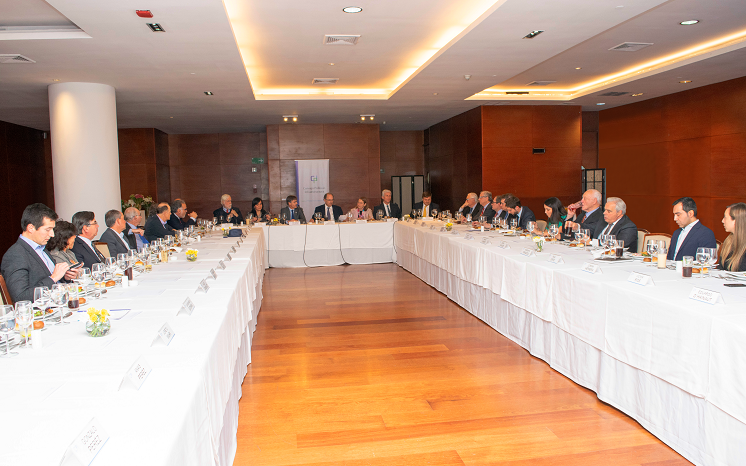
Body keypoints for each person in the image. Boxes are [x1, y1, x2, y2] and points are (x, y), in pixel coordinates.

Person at [1, 203, 77, 303]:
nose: (52, 234)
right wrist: (53, 278)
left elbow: (53, 280)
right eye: (47, 229)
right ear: (31, 228)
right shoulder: (15, 255)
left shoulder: (42, 248)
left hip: (60, 302)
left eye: (52, 229)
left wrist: (65, 277)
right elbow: (20, 297)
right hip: (43, 309)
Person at [719, 202, 746, 272]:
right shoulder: (728, 241)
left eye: (725, 217)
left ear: (735, 221)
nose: (722, 221)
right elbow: (721, 268)